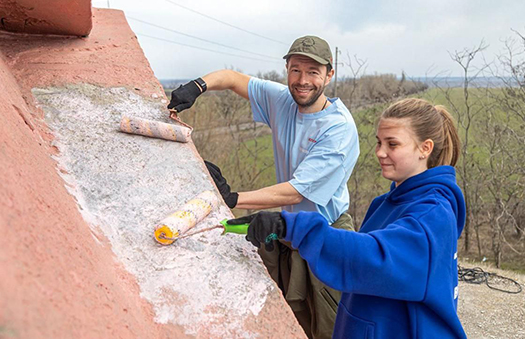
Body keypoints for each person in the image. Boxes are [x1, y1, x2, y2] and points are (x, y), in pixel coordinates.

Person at [167, 35, 360, 339]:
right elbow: (231, 79)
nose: (303, 80)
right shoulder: (283, 100)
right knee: (290, 321)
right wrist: (197, 87)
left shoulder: (338, 129)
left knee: (331, 328)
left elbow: (298, 191)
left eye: (313, 72)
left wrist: (233, 197)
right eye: (296, 70)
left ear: (329, 75)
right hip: (287, 231)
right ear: (286, 69)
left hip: (327, 235)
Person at [228, 98, 468, 339]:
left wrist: (291, 226)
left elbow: (373, 258)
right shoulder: (386, 203)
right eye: (379, 142)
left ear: (425, 148)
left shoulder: (433, 214)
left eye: (392, 144)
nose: (380, 153)